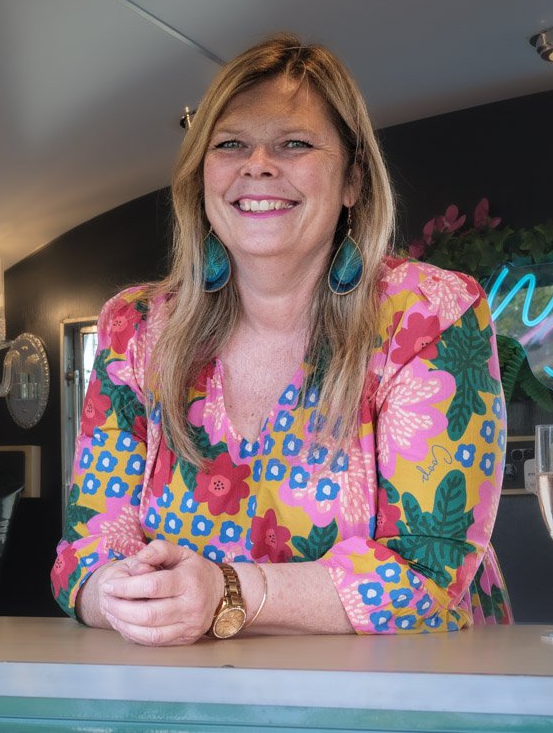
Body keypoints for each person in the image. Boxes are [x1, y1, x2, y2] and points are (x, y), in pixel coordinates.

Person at [49, 33, 510, 645]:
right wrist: (127, 598)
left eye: (293, 143)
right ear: (201, 177)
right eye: (231, 144)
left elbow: (431, 572)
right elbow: (87, 553)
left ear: (352, 181)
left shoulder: (427, 315)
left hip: (407, 694)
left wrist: (226, 592)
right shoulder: (134, 329)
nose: (257, 164)